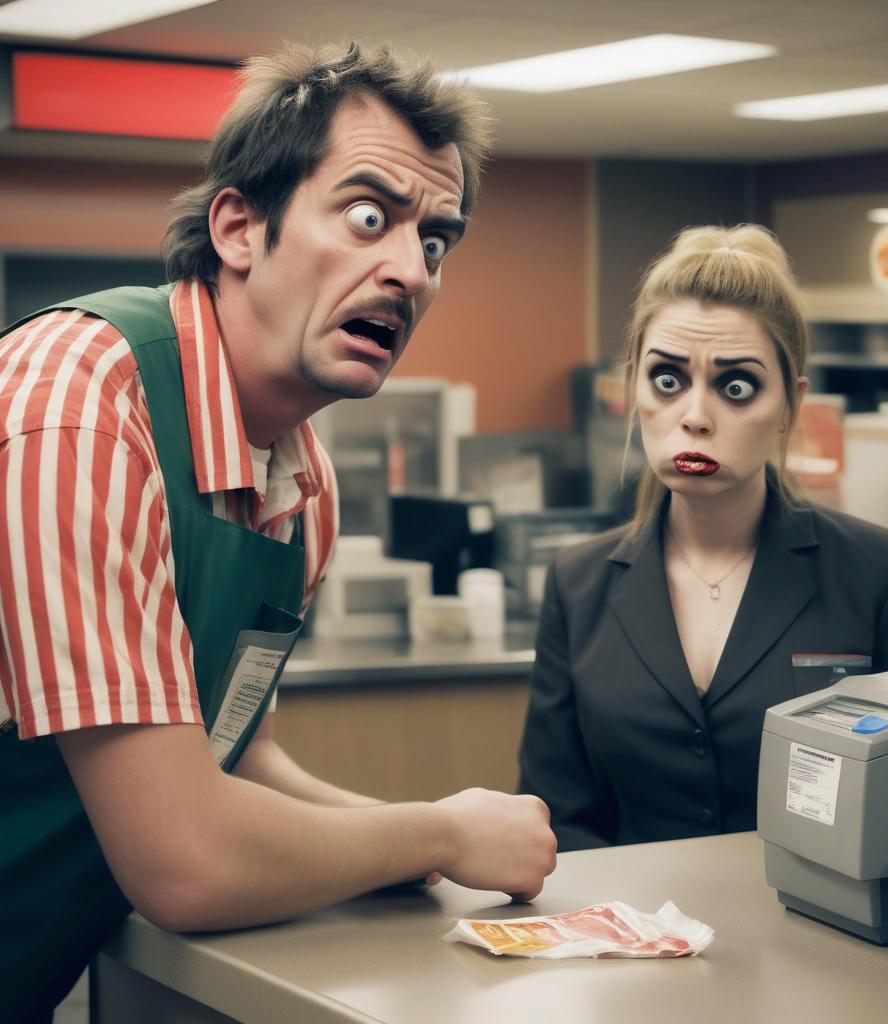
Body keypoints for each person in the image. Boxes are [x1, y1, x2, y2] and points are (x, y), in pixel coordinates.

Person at [0, 41, 556, 1023]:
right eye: (369, 216)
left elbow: (222, 750)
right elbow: (185, 860)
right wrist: (433, 834)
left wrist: (419, 844)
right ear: (239, 227)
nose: (410, 272)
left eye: (435, 240)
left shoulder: (301, 489)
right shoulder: (83, 404)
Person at [517, 223, 888, 853]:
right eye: (667, 380)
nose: (694, 415)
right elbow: (557, 814)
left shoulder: (878, 573)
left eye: (735, 386)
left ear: (790, 407)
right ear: (633, 389)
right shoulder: (578, 584)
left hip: (820, 932)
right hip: (632, 935)